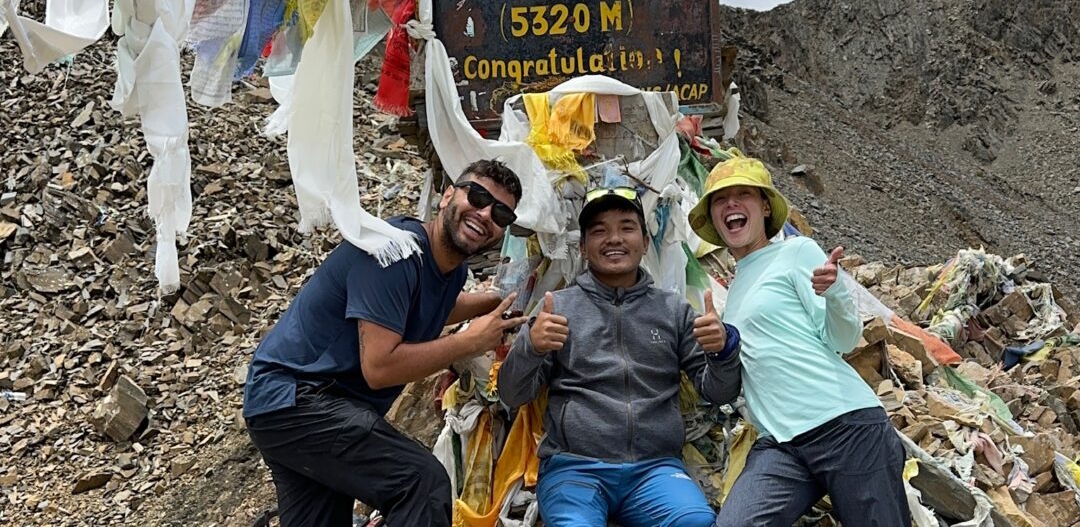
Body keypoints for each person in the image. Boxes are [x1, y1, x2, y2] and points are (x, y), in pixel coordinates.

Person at [243, 159, 530, 527]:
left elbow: (423, 308)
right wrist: (470, 342)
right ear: (446, 197)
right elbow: (379, 368)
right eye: (476, 197)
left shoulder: (450, 270)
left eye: (501, 213)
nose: (485, 214)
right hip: (298, 399)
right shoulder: (394, 253)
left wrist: (496, 301)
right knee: (421, 484)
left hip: (283, 407)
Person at [498, 185, 742, 527]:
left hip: (655, 469)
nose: (614, 238)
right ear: (583, 247)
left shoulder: (672, 310)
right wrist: (531, 347)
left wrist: (721, 351)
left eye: (627, 228)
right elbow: (512, 394)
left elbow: (720, 392)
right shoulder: (558, 309)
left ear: (644, 242)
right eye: (599, 231)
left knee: (696, 522)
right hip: (575, 469)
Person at [686, 156, 910, 526]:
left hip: (845, 424)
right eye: (720, 199)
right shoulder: (736, 286)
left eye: (743, 194)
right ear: (712, 217)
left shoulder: (796, 251)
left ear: (764, 207)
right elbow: (726, 388)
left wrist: (835, 291)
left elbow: (844, 338)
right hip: (782, 444)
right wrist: (720, 349)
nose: (731, 205)